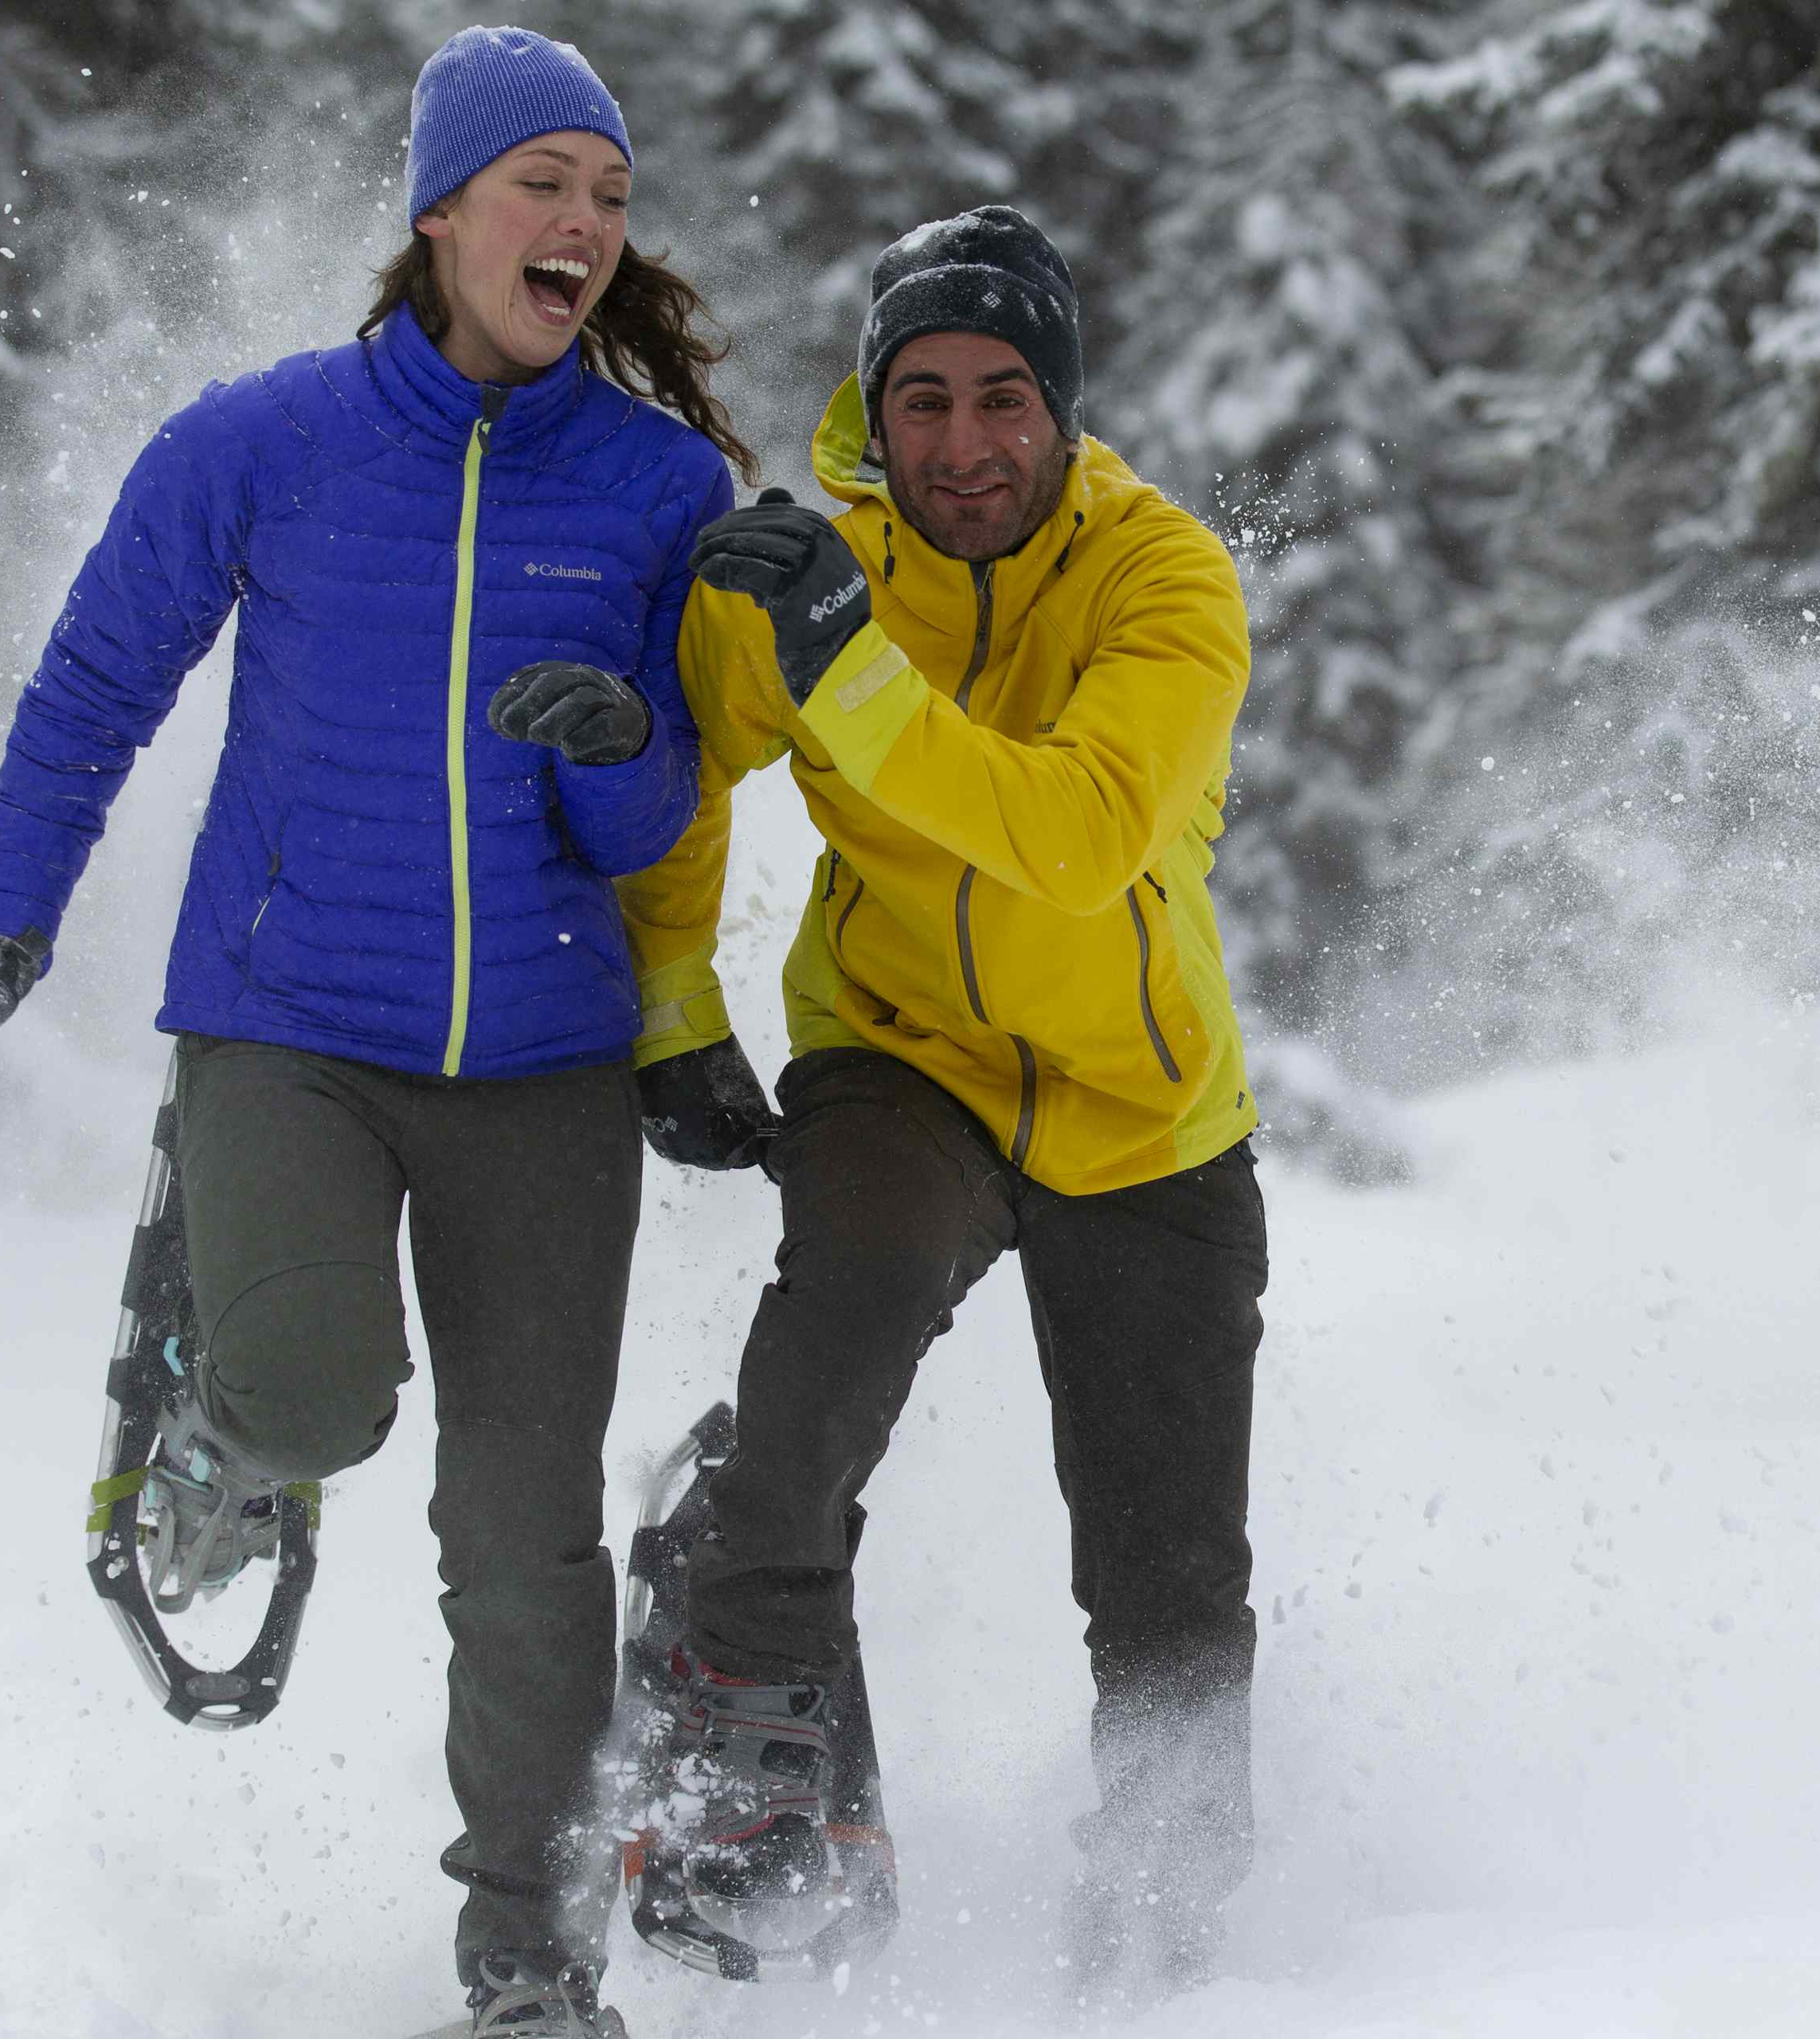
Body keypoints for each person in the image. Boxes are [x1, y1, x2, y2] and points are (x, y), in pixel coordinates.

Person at [0, 27, 742, 2038]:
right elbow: (95, 687)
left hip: (541, 1063)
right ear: (443, 211)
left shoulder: (662, 484)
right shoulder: (262, 444)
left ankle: (525, 1947)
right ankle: (210, 1416)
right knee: (319, 1400)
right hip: (285, 1026)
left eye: (608, 198)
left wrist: (620, 750)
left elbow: (666, 812)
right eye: (545, 189)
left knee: (527, 1534)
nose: (585, 227)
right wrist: (2, 938)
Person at [618, 204, 1268, 1998]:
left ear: (1060, 410)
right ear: (874, 411)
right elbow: (682, 766)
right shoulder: (813, 574)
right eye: (922, 402)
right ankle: (749, 1784)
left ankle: (1167, 1912)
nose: (963, 445)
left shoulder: (1166, 579)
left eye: (1002, 399)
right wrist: (675, 1009)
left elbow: (1075, 840)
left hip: (1147, 1112)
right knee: (819, 1384)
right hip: (900, 1059)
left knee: (1166, 1574)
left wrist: (851, 663)